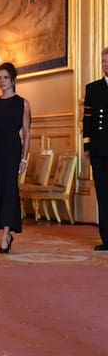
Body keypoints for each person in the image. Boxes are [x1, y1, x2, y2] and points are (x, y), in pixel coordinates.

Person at [0, 62, 31, 253]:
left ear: (13, 79)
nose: (1, 81)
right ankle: (5, 232)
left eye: (5, 77)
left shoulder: (23, 103)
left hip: (12, 152)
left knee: (10, 191)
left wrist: (24, 158)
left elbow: (27, 133)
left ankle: (6, 232)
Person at [83, 47, 108, 251]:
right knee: (103, 195)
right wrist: (87, 146)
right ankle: (107, 239)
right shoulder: (93, 88)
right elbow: (88, 120)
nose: (105, 65)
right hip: (99, 150)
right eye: (103, 62)